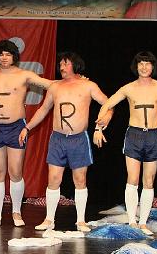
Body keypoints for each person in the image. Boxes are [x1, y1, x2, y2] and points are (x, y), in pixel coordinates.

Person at [20, 52, 111, 233]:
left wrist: (103, 122)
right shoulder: (55, 87)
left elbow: (108, 103)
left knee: (80, 179)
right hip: (58, 139)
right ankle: (49, 219)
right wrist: (27, 127)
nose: (61, 67)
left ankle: (81, 220)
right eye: (60, 64)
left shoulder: (88, 85)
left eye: (65, 64)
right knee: (53, 178)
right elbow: (43, 109)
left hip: (79, 139)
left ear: (75, 65)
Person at [0, 39, 54, 227]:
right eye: (1, 54)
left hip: (16, 128)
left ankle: (16, 212)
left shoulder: (24, 75)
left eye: (8, 54)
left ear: (14, 57)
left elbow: (50, 84)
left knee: (15, 171)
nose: (4, 57)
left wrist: (74, 81)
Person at [96, 51, 157, 235]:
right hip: (134, 135)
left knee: (149, 180)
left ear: (153, 66)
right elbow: (107, 104)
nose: (144, 67)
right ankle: (132, 221)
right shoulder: (128, 88)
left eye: (147, 63)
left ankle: (144, 222)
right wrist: (98, 128)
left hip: (154, 135)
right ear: (136, 66)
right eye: (141, 63)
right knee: (132, 179)